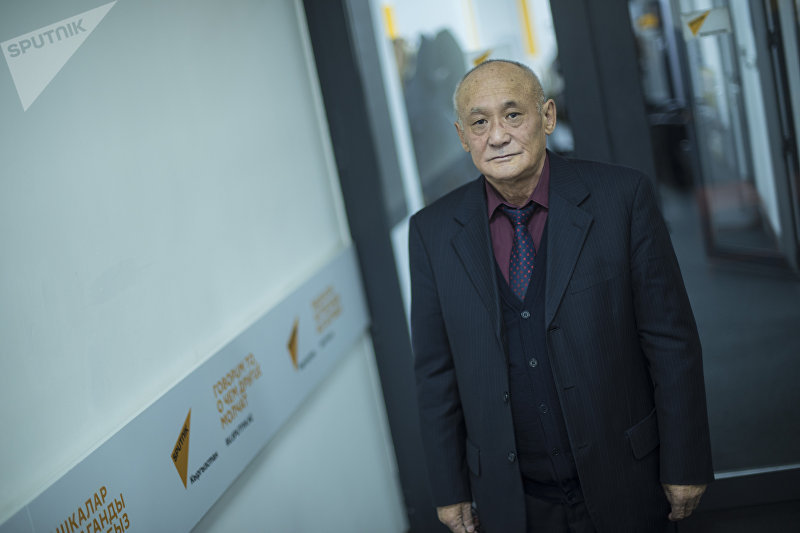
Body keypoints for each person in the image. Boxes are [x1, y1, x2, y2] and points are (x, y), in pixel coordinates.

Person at [408, 59, 713, 533]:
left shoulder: (621, 198)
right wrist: (451, 489)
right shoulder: (432, 232)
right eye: (479, 122)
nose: (497, 136)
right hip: (515, 501)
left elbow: (671, 342)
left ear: (547, 116)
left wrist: (686, 460)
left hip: (625, 478)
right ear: (462, 136)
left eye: (513, 115)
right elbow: (435, 375)